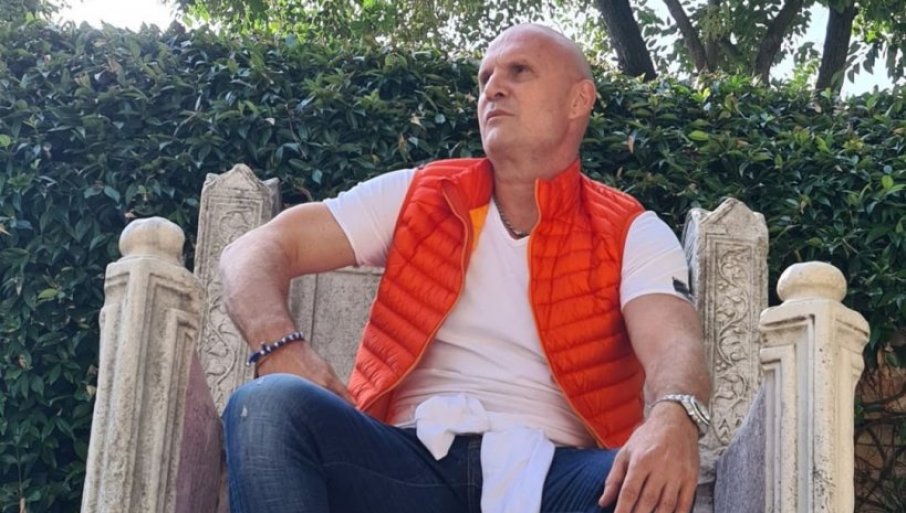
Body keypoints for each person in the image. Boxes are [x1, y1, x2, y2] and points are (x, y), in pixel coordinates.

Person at [220, 23, 711, 513]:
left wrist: (675, 414)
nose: (493, 87)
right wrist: (278, 345)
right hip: (405, 466)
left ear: (579, 99)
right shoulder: (420, 194)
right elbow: (257, 249)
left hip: (559, 475)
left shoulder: (630, 229)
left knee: (651, 487)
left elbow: (673, 342)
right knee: (265, 406)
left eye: (519, 71)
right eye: (485, 78)